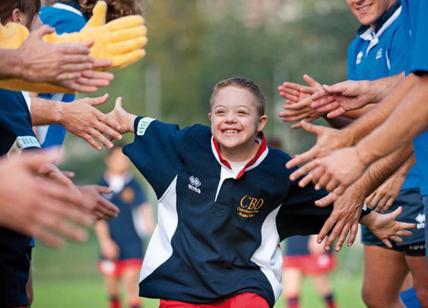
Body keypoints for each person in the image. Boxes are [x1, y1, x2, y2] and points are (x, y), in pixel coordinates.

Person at [105, 76, 414, 308]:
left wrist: (370, 219)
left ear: (260, 122)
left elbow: (322, 194)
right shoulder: (192, 144)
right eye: (221, 112)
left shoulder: (281, 169)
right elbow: (157, 129)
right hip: (183, 281)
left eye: (241, 113)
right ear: (211, 118)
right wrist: (127, 120)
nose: (230, 119)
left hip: (248, 281)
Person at [278, 0, 428, 306]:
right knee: (376, 296)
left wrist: (361, 161)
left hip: (409, 179)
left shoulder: (409, 23)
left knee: (421, 291)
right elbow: (393, 104)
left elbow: (416, 105)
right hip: (381, 183)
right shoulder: (357, 46)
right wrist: (330, 111)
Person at [95, 145, 154, 308]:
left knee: (130, 284)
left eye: (125, 158)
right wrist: (105, 242)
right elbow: (99, 219)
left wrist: (154, 232)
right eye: (119, 157)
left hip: (133, 244)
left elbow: (145, 210)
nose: (123, 161)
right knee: (113, 291)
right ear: (109, 160)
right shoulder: (101, 186)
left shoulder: (134, 185)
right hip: (110, 245)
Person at [282, 235, 336, 308]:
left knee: (323, 288)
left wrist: (321, 235)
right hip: (292, 246)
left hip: (312, 245)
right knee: (291, 290)